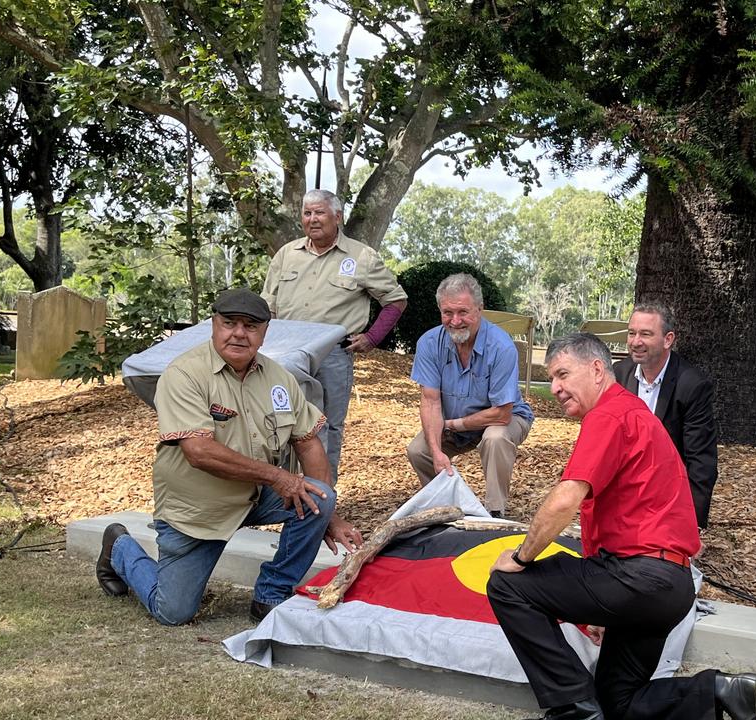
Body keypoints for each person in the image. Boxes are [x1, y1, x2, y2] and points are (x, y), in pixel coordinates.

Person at [486, 333, 756, 720]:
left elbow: (566, 498)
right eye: (550, 378)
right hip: (668, 585)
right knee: (616, 702)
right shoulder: (635, 415)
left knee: (507, 585)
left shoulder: (610, 415)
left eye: (562, 374)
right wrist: (602, 609)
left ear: (597, 369)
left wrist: (520, 557)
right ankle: (721, 690)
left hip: (638, 577)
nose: (554, 387)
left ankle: (573, 707)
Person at [94, 289, 364, 625]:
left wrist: (328, 515)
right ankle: (119, 548)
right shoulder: (185, 373)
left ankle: (271, 594)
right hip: (197, 509)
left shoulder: (279, 379)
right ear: (213, 325)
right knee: (173, 612)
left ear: (265, 332)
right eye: (229, 323)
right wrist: (279, 477)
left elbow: (308, 442)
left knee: (319, 498)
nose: (239, 332)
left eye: (251, 326)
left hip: (253, 494)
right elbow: (199, 452)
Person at [262, 189, 408, 481]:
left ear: (337, 217)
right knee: (281, 421)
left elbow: (396, 300)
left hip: (332, 356)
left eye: (319, 212)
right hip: (286, 354)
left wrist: (372, 338)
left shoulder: (361, 256)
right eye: (307, 213)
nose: (312, 219)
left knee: (326, 424)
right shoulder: (286, 255)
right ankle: (285, 490)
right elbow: (267, 306)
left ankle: (323, 496)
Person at [408, 273, 534, 517]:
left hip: (504, 418)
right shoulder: (429, 343)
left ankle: (495, 512)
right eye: (447, 313)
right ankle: (446, 507)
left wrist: (454, 424)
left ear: (479, 309)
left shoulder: (501, 347)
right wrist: (436, 451)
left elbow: (502, 413)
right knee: (418, 450)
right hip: (453, 423)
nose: (455, 321)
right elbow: (430, 402)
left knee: (495, 438)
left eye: (463, 312)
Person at [612, 304, 718, 528]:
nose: (635, 341)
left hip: (667, 496)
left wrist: (692, 525)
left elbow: (700, 460)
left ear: (668, 339)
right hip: (622, 494)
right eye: (632, 333)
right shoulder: (619, 374)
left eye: (646, 334)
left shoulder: (692, 385)